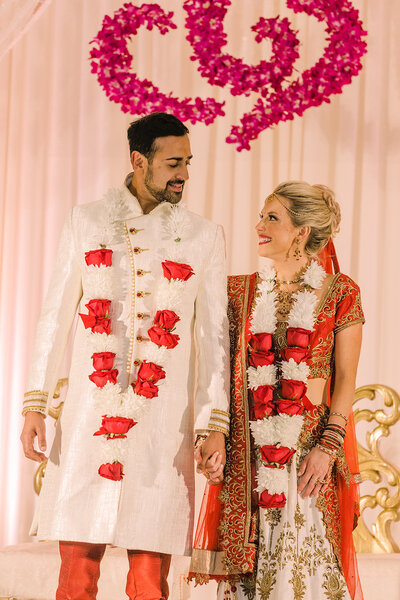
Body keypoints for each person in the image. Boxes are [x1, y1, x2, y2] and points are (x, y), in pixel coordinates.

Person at [20, 112, 230, 600]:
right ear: (140, 160)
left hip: (163, 423)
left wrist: (211, 423)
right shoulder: (86, 221)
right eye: (173, 162)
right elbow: (54, 316)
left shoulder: (204, 236)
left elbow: (212, 337)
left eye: (188, 163)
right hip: (90, 416)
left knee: (150, 579)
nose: (184, 174)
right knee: (75, 572)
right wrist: (35, 403)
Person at [192, 181, 365, 600]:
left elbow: (344, 380)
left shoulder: (341, 293)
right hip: (247, 457)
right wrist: (209, 433)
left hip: (308, 457)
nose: (259, 226)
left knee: (304, 575)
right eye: (262, 216)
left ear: (301, 233)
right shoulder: (237, 291)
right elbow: (217, 374)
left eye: (272, 218)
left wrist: (329, 447)